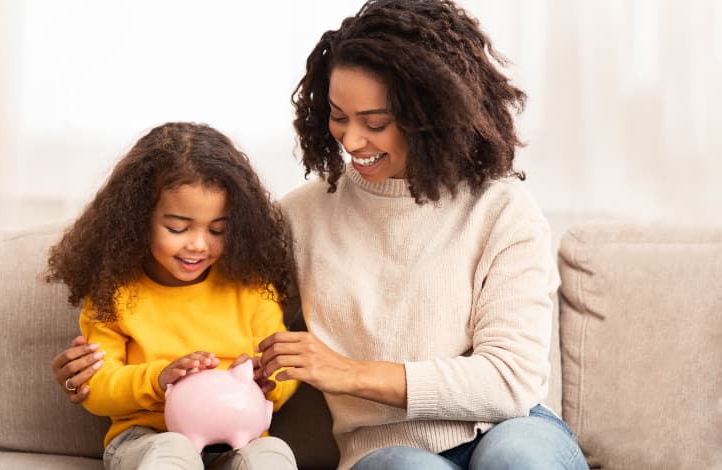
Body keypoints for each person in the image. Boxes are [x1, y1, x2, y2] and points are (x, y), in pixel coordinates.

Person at [52, 1, 589, 469]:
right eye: (337, 117)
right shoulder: (299, 218)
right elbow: (212, 301)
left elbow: (511, 380)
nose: (352, 140)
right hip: (384, 448)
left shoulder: (502, 211)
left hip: (509, 428)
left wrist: (350, 374)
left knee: (517, 457)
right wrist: (100, 370)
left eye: (374, 122)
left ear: (432, 113)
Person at [45, 122, 299, 470]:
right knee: (174, 452)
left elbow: (284, 365)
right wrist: (159, 379)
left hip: (242, 437)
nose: (197, 244)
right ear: (138, 219)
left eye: (217, 230)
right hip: (147, 438)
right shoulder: (115, 294)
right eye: (178, 228)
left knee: (273, 456)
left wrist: (267, 381)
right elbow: (97, 387)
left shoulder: (251, 288)